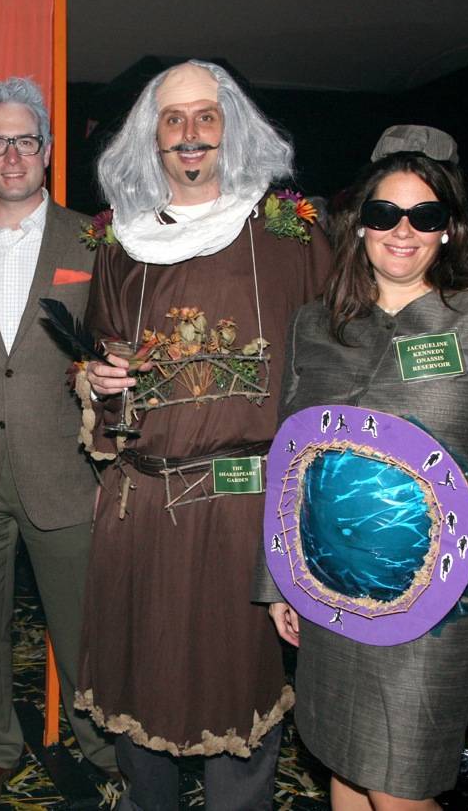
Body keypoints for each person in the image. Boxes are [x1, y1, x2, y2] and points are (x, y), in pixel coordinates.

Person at [256, 151, 468, 809]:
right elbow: (289, 460)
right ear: (359, 224)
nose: (403, 229)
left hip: (443, 598)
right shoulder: (316, 323)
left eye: (425, 214)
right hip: (332, 586)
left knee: (399, 785)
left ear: (449, 228)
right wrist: (279, 579)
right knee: (342, 764)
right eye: (385, 211)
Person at [81, 60, 331, 810]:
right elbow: (100, 354)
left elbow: (333, 367)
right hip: (145, 505)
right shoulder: (121, 243)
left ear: (232, 128)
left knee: (240, 682)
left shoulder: (288, 235)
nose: (189, 133)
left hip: (245, 508)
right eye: (173, 118)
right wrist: (99, 381)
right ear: (151, 137)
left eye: (206, 116)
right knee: (142, 675)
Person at [0, 76, 115, 811]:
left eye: (25, 140)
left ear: (47, 149)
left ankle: (103, 748)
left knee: (80, 630)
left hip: (62, 468)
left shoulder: (93, 240)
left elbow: (115, 345)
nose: (11, 155)